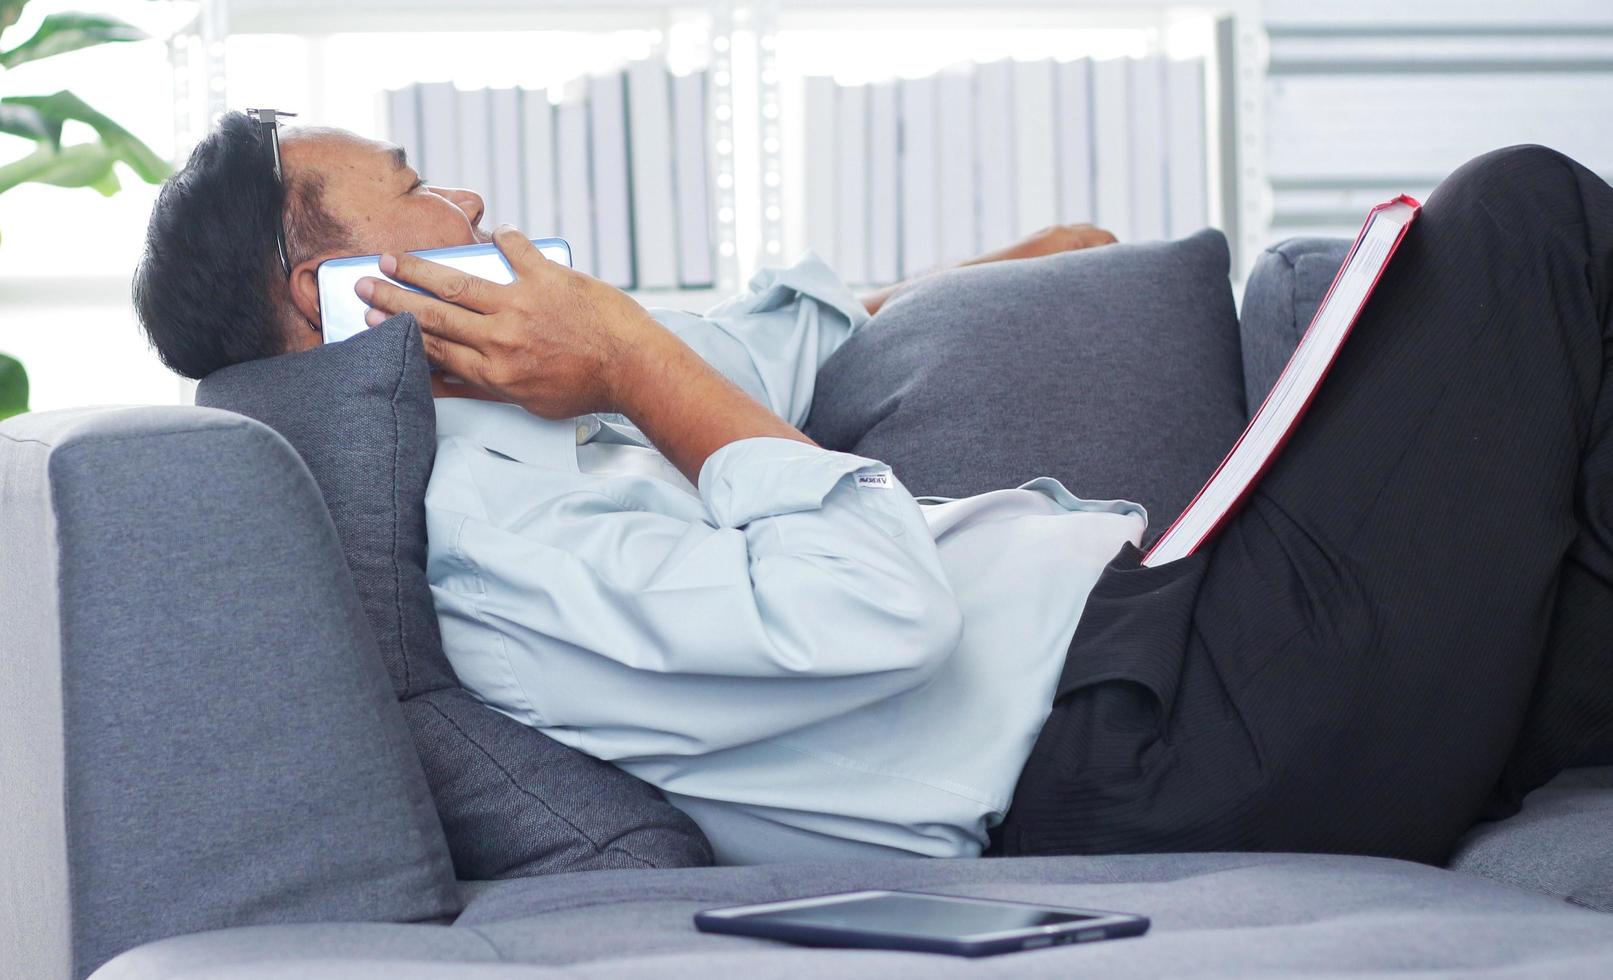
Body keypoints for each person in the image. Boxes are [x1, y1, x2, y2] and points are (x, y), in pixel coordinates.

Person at [134, 112, 1613, 867]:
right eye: (417, 190)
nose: (465, 204)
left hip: (1198, 662)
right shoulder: (488, 539)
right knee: (1514, 214)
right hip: (1171, 747)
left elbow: (778, 339)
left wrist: (989, 274)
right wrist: (634, 365)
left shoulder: (539, 402)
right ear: (335, 298)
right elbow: (874, 614)